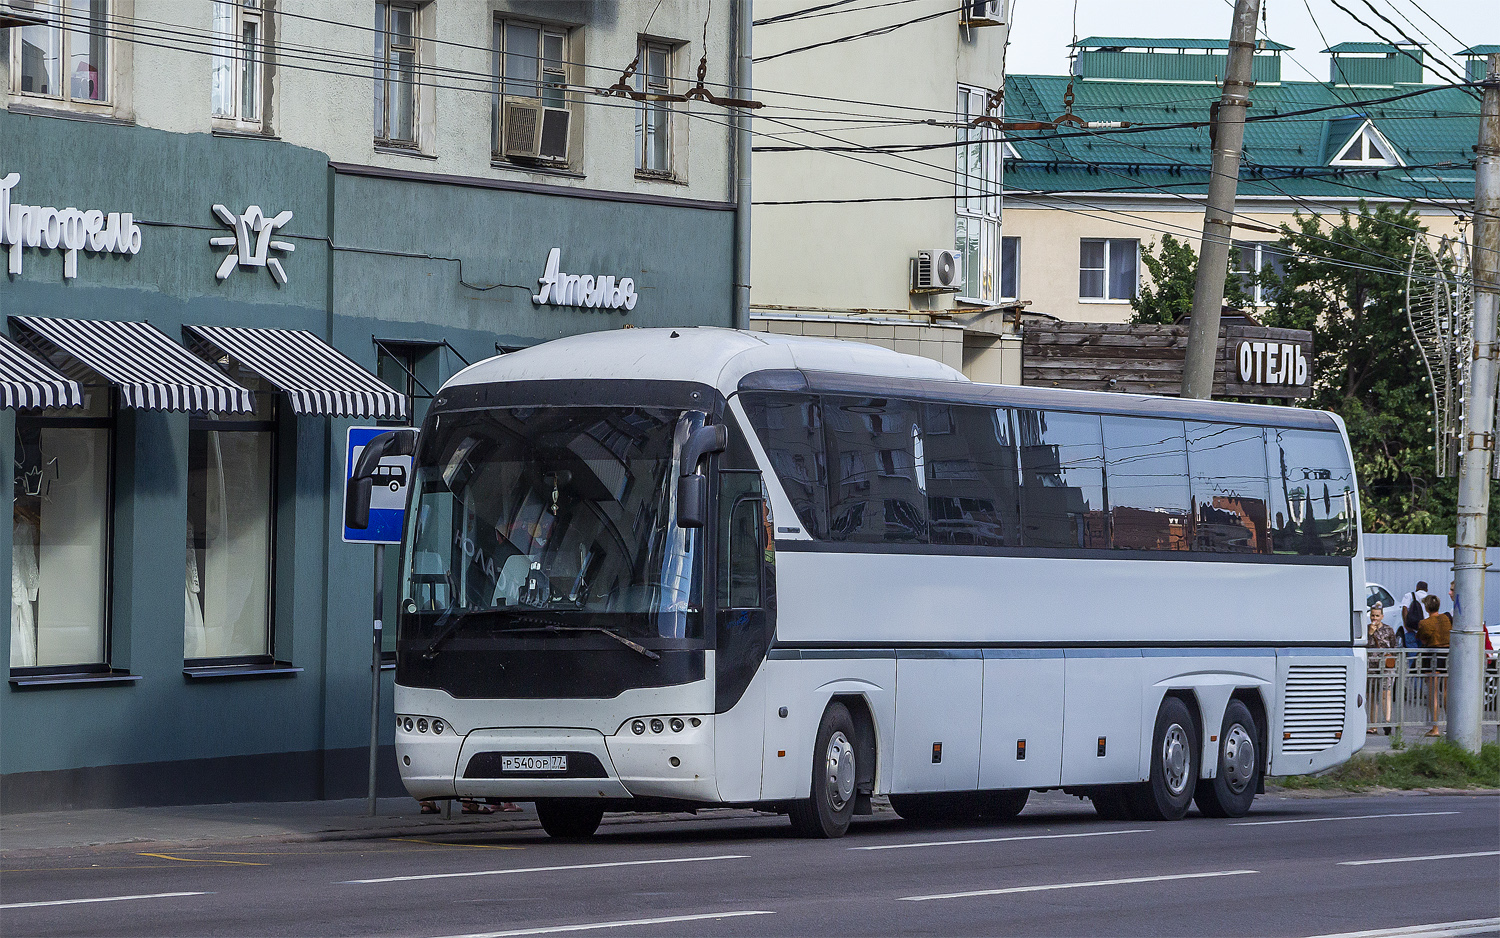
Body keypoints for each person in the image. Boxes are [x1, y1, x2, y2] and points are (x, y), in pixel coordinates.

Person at [1416, 593, 1452, 736]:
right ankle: (1451, 725)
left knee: (1433, 693)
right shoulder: (1447, 618)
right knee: (1446, 692)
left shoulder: (1424, 623)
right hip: (1447, 655)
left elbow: (1422, 639)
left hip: (1432, 656)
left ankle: (1435, 727)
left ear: (1426, 607)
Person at [1366, 603, 1398, 734]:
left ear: (1382, 616)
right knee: (1371, 695)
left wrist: (1391, 656)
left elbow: (1395, 646)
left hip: (1385, 666)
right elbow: (1363, 646)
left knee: (1386, 693)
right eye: (1373, 615)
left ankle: (1387, 721)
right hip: (1371, 666)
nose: (1375, 618)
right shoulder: (1366, 630)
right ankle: (1373, 725)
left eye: (1377, 616)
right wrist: (1370, 634)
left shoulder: (1389, 630)